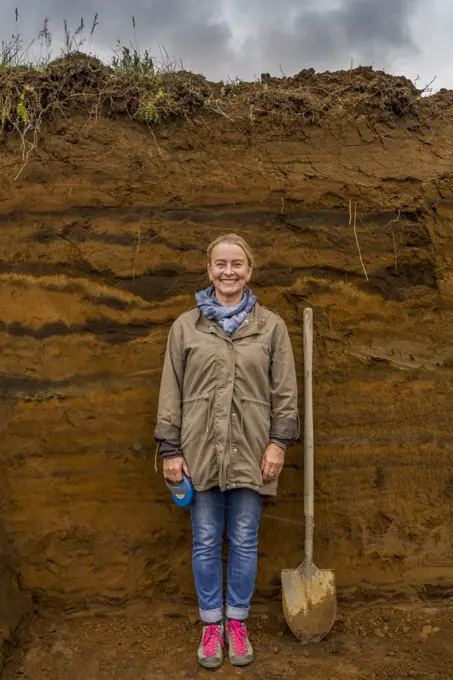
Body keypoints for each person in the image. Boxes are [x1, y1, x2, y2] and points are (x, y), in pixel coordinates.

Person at [154, 233, 299, 668]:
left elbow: (286, 393)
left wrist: (278, 443)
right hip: (198, 451)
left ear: (250, 271)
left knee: (244, 539)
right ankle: (210, 627)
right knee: (203, 540)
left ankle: (237, 621)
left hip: (253, 452)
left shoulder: (271, 326)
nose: (229, 271)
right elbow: (170, 391)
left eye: (237, 264)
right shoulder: (186, 327)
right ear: (210, 270)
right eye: (221, 264)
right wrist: (170, 449)